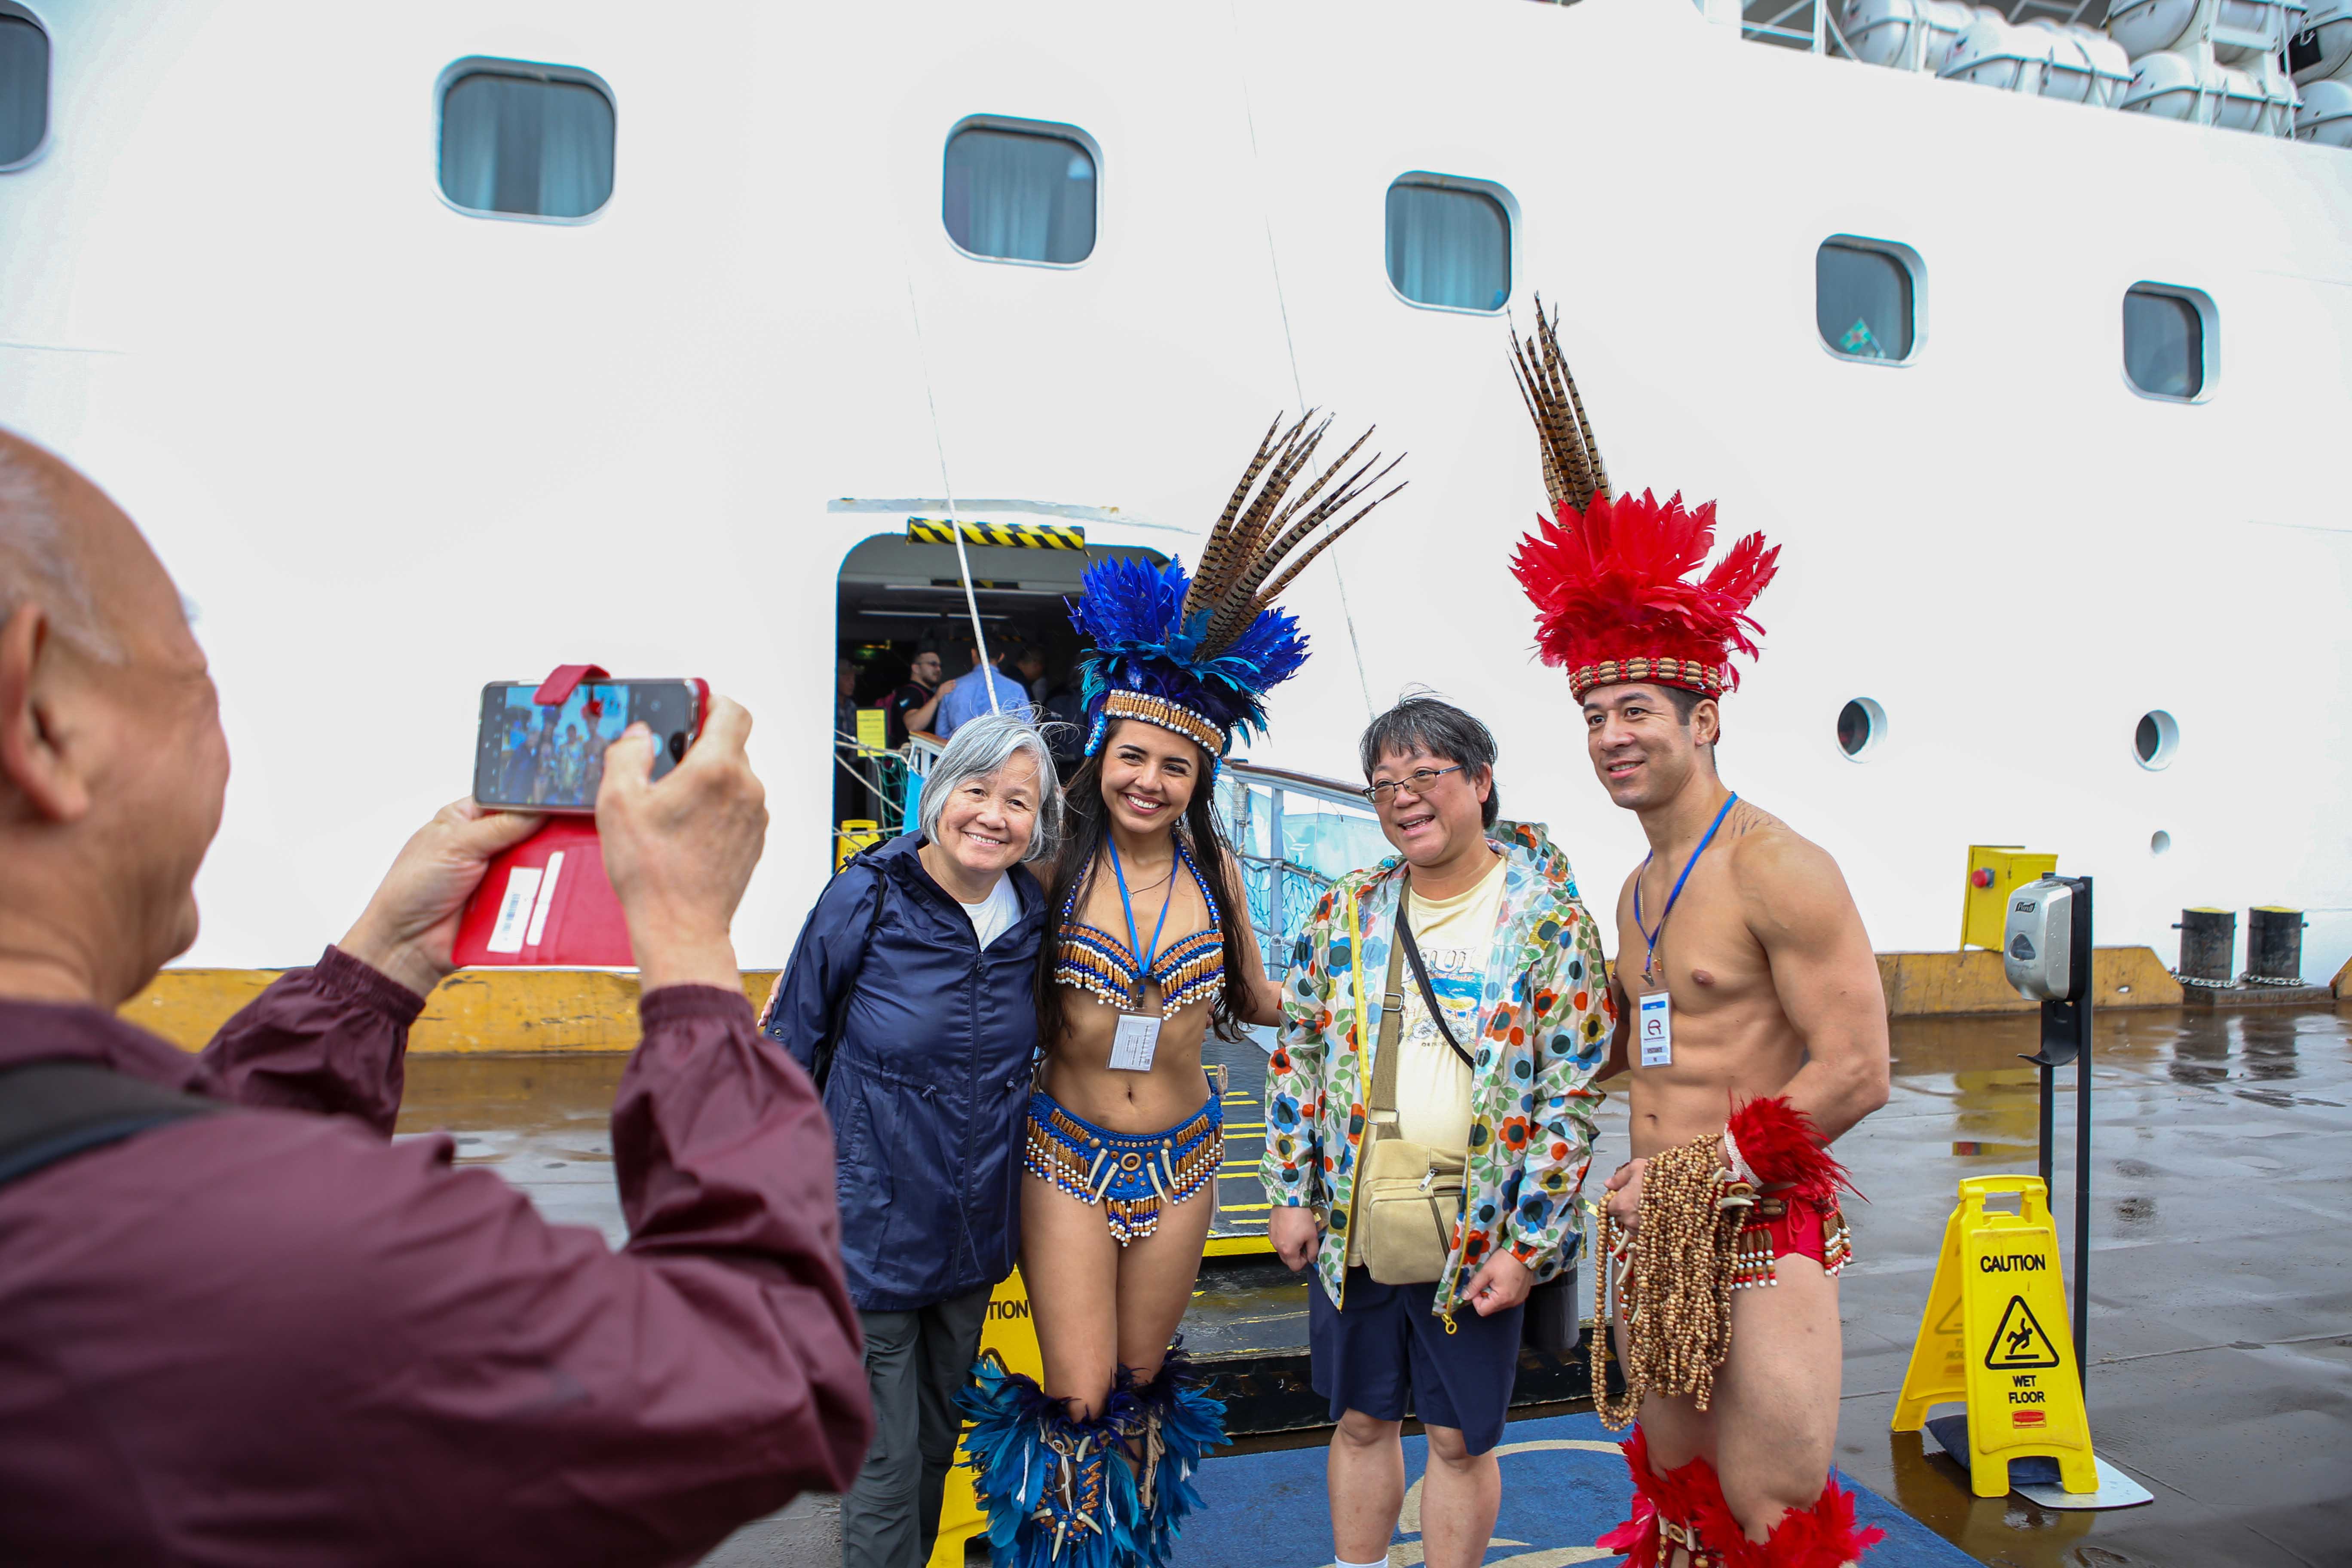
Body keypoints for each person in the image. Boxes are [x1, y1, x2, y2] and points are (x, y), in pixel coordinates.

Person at [0, 430, 871, 1562]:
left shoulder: (110, 1204)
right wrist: (691, 952)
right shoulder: (343, 1265)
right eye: (193, 678)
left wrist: (383, 964)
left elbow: (180, 1166)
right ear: (39, 722)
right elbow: (772, 1375)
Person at [960, 412, 1405, 1567]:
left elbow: (1261, 1004)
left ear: (1200, 775)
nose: (1150, 781)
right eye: (1133, 758)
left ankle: (1133, 1554)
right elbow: (954, 936)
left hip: (1191, 1161)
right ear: (1101, 752)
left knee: (1149, 1386)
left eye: (1176, 766)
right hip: (1063, 1156)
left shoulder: (1215, 872)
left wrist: (1388, 992)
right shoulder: (1053, 858)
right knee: (1081, 1391)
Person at [1503, 305, 1891, 1567]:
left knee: (1771, 1512)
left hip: (1762, 1222)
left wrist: (1702, 1172)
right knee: (1676, 1500)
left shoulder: (1781, 865)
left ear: (1705, 709)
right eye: (1596, 713)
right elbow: (1638, 1052)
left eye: (1636, 710)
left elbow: (1857, 1071)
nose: (1614, 733)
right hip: (1658, 1229)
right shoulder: (1635, 888)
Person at [1263, 696, 1614, 1568]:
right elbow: (1297, 1056)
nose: (1403, 800)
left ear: (1480, 781)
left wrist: (1529, 1248)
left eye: (1425, 776)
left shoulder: (1550, 922)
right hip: (1356, 1218)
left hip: (1478, 1228)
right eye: (1384, 785)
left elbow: (1569, 1100)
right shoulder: (1348, 910)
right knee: (1358, 1419)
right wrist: (1290, 1195)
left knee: (1459, 1441)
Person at [762, 713, 1060, 1568]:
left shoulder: (1030, 914)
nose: (993, 815)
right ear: (938, 793)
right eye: (977, 789)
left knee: (935, 1448)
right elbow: (791, 1045)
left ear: (1036, 824)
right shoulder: (869, 894)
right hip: (868, 1231)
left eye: (1017, 801)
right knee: (884, 1468)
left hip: (971, 1236)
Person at [932, 634, 1035, 741]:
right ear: (1001, 657)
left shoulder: (952, 687)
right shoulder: (1016, 689)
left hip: (962, 755)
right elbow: (1027, 732)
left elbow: (941, 735)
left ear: (973, 653)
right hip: (999, 755)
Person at [887, 646, 946, 748]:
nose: (938, 669)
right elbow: (913, 725)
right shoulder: (910, 692)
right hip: (911, 760)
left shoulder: (928, 693)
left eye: (940, 666)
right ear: (916, 668)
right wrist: (937, 698)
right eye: (933, 665)